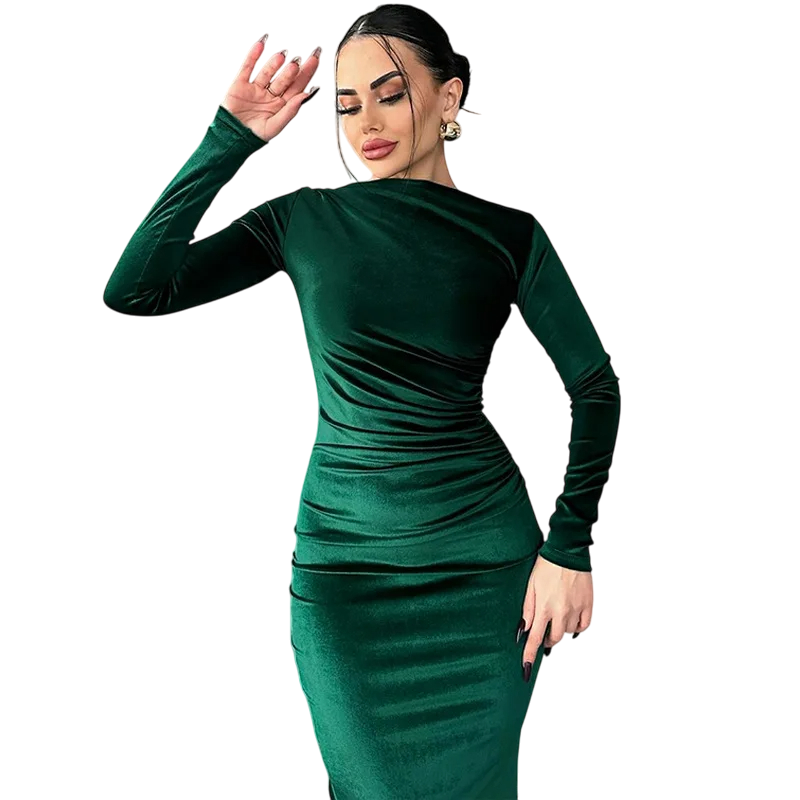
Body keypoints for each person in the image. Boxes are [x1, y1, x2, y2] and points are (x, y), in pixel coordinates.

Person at [103, 5, 621, 798]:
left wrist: (569, 547)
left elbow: (595, 386)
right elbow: (137, 289)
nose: (366, 124)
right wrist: (228, 140)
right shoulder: (303, 220)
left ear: (449, 97)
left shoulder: (510, 235)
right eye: (346, 106)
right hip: (345, 576)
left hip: (485, 573)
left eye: (389, 94)